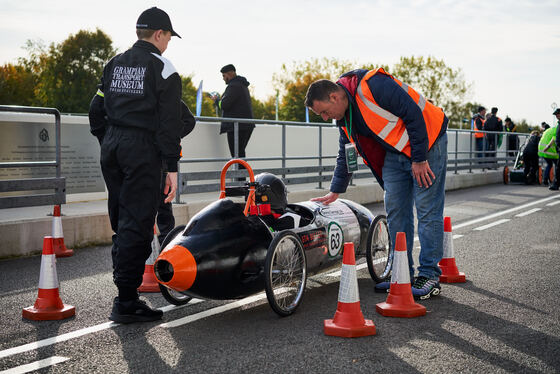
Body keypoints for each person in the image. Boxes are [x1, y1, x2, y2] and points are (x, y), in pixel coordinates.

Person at [305, 68, 448, 300]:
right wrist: (335, 190)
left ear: (334, 97)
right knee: (396, 212)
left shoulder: (373, 85)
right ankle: (402, 273)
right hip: (395, 152)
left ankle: (429, 275)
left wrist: (419, 158)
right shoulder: (345, 118)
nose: (325, 117)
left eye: (323, 111)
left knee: (427, 210)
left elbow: (413, 114)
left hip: (428, 142)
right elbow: (346, 152)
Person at [88, 7, 183, 324]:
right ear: (159, 34)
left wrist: (109, 141)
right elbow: (170, 125)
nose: (169, 43)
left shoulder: (113, 63)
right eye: (169, 36)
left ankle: (125, 292)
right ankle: (126, 300)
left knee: (120, 221)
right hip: (142, 150)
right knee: (139, 223)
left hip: (113, 145)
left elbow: (96, 108)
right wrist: (171, 167)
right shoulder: (164, 69)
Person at [157, 101, 196, 244]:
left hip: (160, 157)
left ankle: (165, 242)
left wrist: (172, 137)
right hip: (156, 156)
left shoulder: (170, 98)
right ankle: (165, 242)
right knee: (163, 201)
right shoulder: (169, 96)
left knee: (163, 199)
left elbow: (190, 121)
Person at [210, 64, 254, 167]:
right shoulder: (242, 85)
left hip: (237, 127)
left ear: (230, 74)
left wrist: (217, 101)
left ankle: (241, 181)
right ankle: (242, 181)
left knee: (237, 157)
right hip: (245, 126)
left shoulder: (233, 86)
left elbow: (224, 105)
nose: (223, 79)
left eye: (224, 76)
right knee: (240, 156)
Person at [547, 108, 560, 190]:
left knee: (559, 167)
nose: (557, 116)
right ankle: (556, 184)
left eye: (558, 114)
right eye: (556, 115)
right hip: (559, 149)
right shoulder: (559, 124)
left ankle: (556, 184)